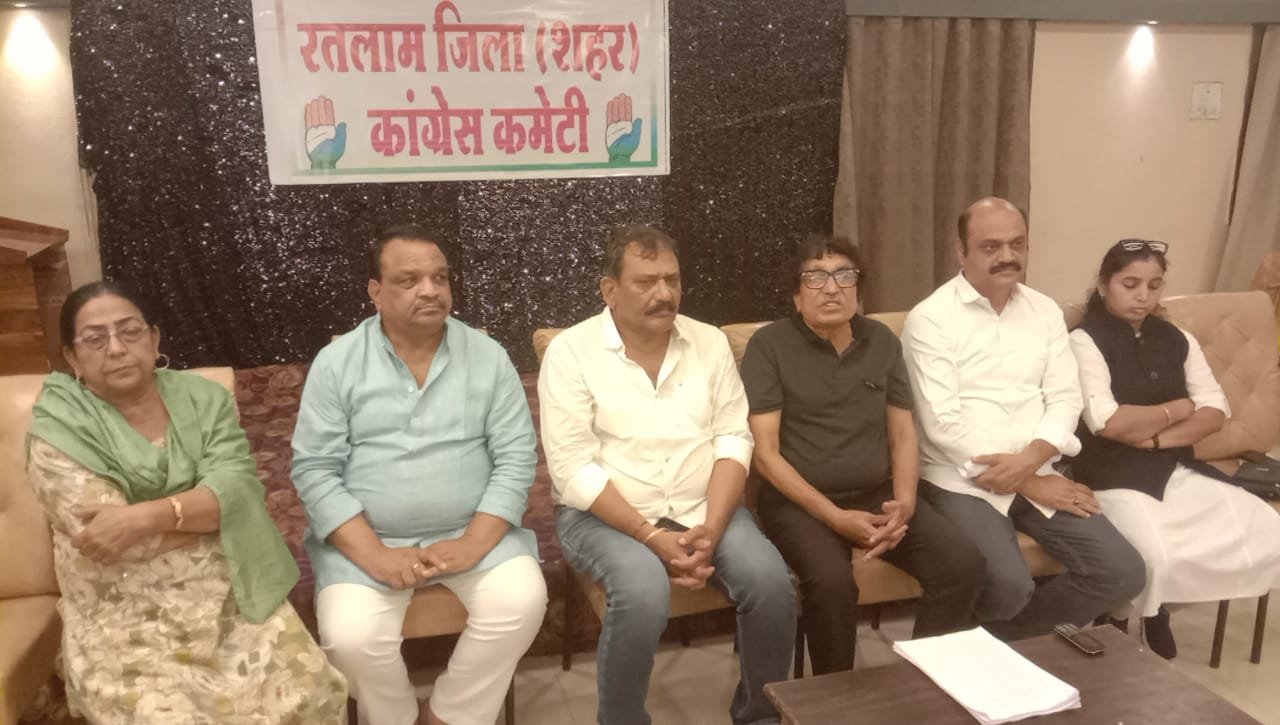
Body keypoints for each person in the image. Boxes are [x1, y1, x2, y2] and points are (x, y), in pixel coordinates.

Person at [26, 281, 346, 724]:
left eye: (130, 331)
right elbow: (108, 539)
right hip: (124, 611)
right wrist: (210, 512)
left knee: (310, 689)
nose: (116, 348)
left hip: (228, 591)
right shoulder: (59, 428)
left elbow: (239, 489)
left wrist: (143, 516)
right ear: (72, 357)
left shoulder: (202, 399)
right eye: (95, 339)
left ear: (154, 340)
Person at [539, 225, 796, 725]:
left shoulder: (709, 342)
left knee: (770, 583)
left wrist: (713, 528)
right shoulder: (570, 352)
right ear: (609, 290)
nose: (664, 294)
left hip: (704, 507)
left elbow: (732, 439)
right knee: (641, 591)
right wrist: (652, 537)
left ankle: (760, 715)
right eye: (646, 282)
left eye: (672, 280)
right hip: (604, 516)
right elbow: (573, 470)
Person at [292, 225, 547, 725]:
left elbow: (517, 458)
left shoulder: (488, 356)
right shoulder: (337, 363)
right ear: (375, 292)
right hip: (369, 541)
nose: (430, 290)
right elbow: (315, 469)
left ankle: (450, 714)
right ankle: (397, 717)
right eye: (409, 280)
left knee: (522, 602)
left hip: (474, 534)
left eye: (440, 278)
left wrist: (472, 543)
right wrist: (375, 555)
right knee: (350, 638)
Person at [901, 197, 1145, 642]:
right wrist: (1030, 482)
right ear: (961, 252)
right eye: (990, 246)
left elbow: (1065, 398)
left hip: (1038, 466)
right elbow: (943, 426)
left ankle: (1003, 650)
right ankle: (975, 655)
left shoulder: (1045, 311)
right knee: (1008, 585)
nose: (1007, 256)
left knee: (1122, 572)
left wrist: (1032, 464)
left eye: (1017, 244)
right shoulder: (930, 319)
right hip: (961, 479)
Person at [740, 235, 985, 675]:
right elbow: (766, 455)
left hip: (876, 493)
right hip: (798, 503)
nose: (831, 288)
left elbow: (902, 434)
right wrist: (836, 517)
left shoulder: (881, 341)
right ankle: (837, 698)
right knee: (832, 585)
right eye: (815, 278)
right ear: (795, 295)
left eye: (844, 276)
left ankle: (922, 683)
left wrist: (904, 504)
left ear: (858, 288)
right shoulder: (769, 346)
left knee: (961, 564)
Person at [1068, 239, 1280, 658]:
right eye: (1130, 284)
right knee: (1158, 557)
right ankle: (1130, 614)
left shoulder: (1177, 338)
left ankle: (1157, 608)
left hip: (1175, 465)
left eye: (1154, 285)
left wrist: (1155, 439)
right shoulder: (1084, 341)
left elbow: (1215, 410)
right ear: (1105, 284)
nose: (1143, 296)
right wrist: (1177, 409)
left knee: (1263, 530)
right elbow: (1108, 423)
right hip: (1110, 476)